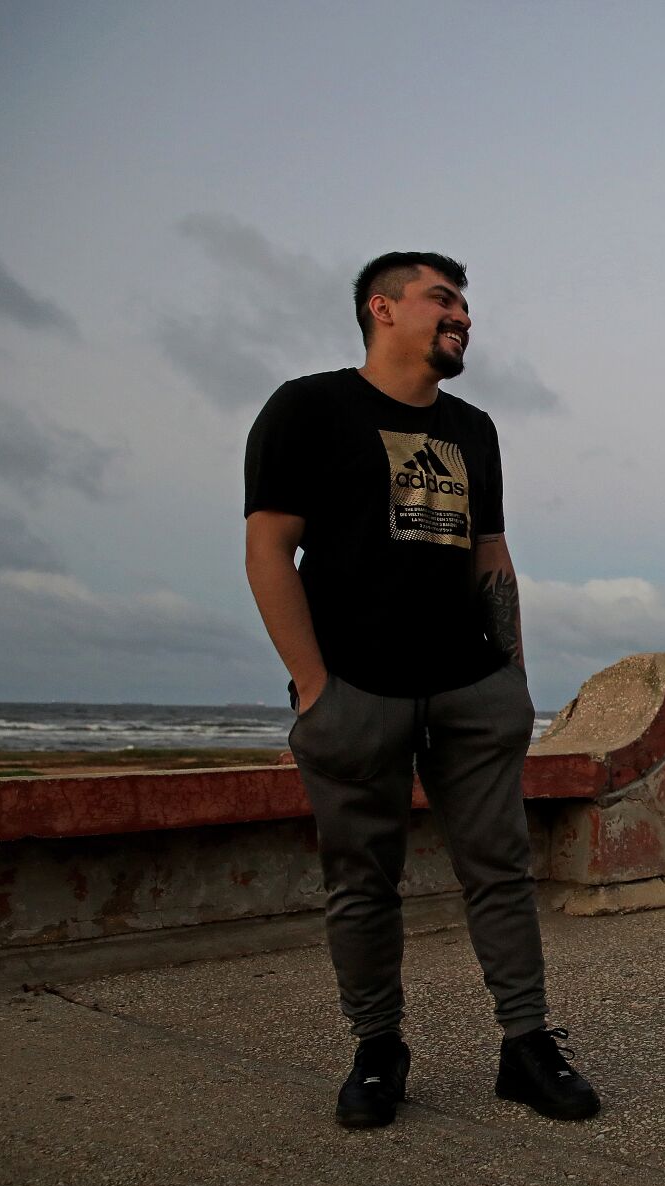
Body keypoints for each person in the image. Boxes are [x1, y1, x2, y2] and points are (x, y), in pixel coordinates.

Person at [244, 251, 598, 1129]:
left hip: (470, 685)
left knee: (501, 873)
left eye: (466, 304)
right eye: (443, 299)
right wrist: (317, 687)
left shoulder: (474, 427)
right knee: (362, 883)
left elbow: (490, 554)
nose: (463, 316)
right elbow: (268, 550)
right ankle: (377, 1050)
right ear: (382, 307)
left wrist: (515, 680)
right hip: (356, 688)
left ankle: (526, 1044)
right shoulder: (308, 408)